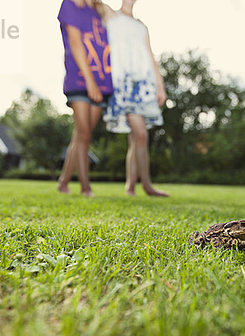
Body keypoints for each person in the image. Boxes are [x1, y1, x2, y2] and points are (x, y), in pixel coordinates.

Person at [102, 0, 169, 197]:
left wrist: (160, 86)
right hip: (123, 83)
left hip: (143, 84)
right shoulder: (110, 14)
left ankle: (131, 186)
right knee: (140, 134)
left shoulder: (142, 26)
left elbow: (151, 56)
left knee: (136, 137)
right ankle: (146, 186)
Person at [57, 0, 113, 197]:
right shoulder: (70, 5)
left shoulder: (99, 10)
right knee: (85, 135)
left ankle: (63, 181)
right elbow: (75, 43)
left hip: (102, 80)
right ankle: (85, 187)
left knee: (81, 134)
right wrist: (90, 82)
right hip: (81, 79)